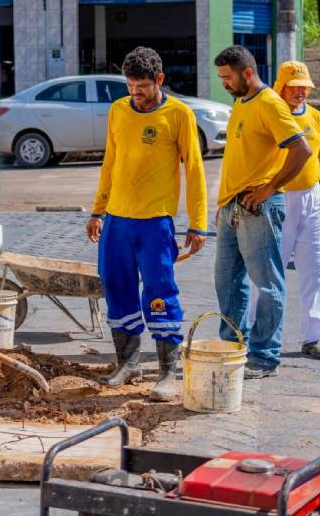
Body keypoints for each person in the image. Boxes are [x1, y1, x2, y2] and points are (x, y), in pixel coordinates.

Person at [86, 46, 208, 402]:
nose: (135, 94)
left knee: (158, 291)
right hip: (117, 221)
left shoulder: (179, 115)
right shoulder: (118, 110)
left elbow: (195, 171)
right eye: (130, 86)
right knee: (115, 285)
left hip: (155, 223)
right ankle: (128, 363)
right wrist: (97, 211)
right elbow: (110, 162)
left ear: (159, 80)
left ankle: (169, 372)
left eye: (141, 86)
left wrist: (197, 224)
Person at [213, 46, 312, 379]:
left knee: (267, 283)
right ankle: (231, 348)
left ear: (247, 73)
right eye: (221, 78)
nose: (224, 84)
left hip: (260, 208)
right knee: (228, 283)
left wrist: (270, 187)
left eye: (227, 77)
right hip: (231, 207)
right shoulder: (241, 103)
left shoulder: (270, 104)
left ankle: (265, 356)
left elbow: (302, 150)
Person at [248, 62, 320, 360]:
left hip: (312, 200)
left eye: (305, 87)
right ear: (281, 86)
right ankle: (255, 333)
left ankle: (314, 337)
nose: (301, 92)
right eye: (295, 86)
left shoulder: (316, 118)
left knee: (315, 270)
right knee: (267, 272)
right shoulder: (270, 113)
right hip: (279, 199)